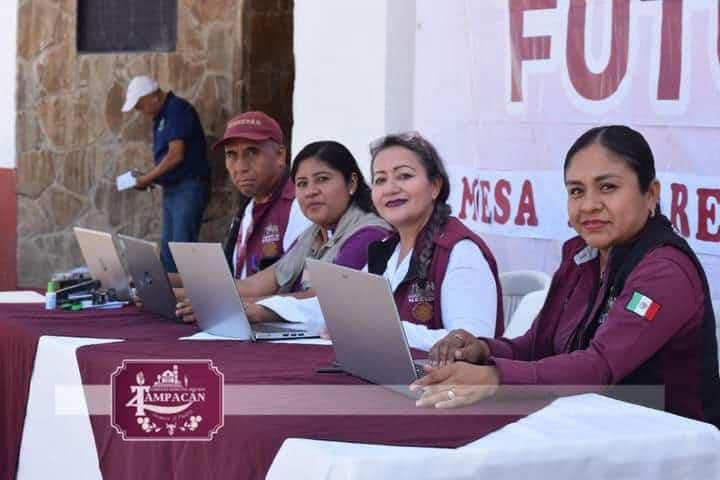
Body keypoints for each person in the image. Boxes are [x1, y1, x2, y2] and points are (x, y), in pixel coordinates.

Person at [412, 125, 720, 428]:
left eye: (608, 187)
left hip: (671, 448)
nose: (588, 205)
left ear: (650, 194)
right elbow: (536, 347)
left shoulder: (664, 271)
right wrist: (482, 350)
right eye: (576, 191)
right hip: (588, 430)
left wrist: (494, 378)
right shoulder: (581, 256)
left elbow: (599, 367)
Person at [176, 140, 391, 324]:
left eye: (323, 179)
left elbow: (324, 299)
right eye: (302, 183)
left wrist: (244, 308)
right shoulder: (314, 234)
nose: (311, 192)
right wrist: (179, 295)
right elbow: (256, 284)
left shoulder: (368, 234)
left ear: (351, 183)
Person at [367, 132, 503, 351]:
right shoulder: (386, 248)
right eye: (380, 180)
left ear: (435, 186)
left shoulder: (460, 251)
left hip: (443, 383)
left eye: (404, 176)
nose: (391, 188)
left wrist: (380, 330)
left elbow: (470, 342)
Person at [121, 75, 210, 273]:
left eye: (139, 104)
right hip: (173, 189)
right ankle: (172, 300)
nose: (138, 110)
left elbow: (175, 155)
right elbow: (170, 161)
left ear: (153, 96)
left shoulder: (176, 109)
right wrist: (150, 178)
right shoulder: (162, 116)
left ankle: (188, 300)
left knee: (182, 250)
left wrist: (148, 177)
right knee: (169, 253)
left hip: (188, 188)